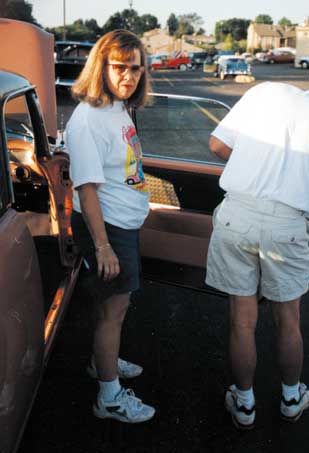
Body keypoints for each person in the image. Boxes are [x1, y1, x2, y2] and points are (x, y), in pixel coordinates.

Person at [206, 82, 309, 429]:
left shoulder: (264, 93)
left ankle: (244, 404)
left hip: (237, 215)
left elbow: (217, 145)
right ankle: (291, 398)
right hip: (287, 226)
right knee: (288, 320)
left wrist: (255, 163)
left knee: (242, 321)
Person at [65, 29, 155, 424]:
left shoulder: (117, 108)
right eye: (119, 67)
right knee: (112, 313)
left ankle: (104, 360)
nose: (128, 76)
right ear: (101, 66)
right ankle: (109, 396)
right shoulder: (88, 119)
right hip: (109, 227)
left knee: (113, 306)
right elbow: (86, 192)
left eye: (135, 68)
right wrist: (103, 247)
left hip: (123, 222)